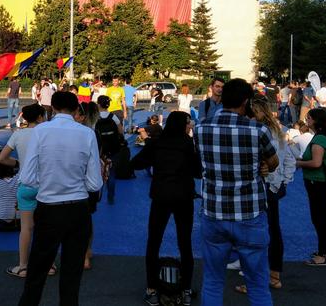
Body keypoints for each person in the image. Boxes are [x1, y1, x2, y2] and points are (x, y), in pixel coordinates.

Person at [194, 78, 279, 306]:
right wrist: (263, 166)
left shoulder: (200, 128)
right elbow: (273, 162)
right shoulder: (257, 130)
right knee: (257, 283)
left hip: (214, 211)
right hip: (249, 213)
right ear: (246, 101)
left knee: (212, 281)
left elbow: (201, 162)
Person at [17, 91, 103, 306]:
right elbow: (95, 183)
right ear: (76, 110)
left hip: (48, 207)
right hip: (78, 209)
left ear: (52, 108)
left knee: (37, 271)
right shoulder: (86, 134)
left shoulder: (40, 132)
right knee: (72, 275)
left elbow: (27, 177)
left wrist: (47, 183)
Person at [132, 111, 201, 305]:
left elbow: (136, 164)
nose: (190, 126)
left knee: (154, 242)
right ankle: (186, 288)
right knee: (185, 243)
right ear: (182, 125)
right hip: (183, 197)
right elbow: (198, 172)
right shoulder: (188, 145)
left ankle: (152, 289)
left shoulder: (156, 143)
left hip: (161, 196)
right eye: (188, 123)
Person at [235, 99, 297, 295]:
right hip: (273, 187)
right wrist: (283, 182)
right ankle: (274, 275)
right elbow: (289, 159)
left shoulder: (257, 132)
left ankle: (255, 279)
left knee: (255, 233)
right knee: (274, 230)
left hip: (259, 187)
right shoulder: (279, 131)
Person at [0, 104, 48, 278]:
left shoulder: (18, 135)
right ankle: (47, 266)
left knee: (26, 228)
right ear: (41, 117)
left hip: (25, 185)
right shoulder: (46, 133)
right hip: (45, 186)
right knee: (45, 228)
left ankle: (23, 266)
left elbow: (2, 158)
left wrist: (20, 164)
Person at [296, 108, 326, 266]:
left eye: (309, 118)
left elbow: (316, 163)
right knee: (325, 216)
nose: (307, 120)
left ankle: (323, 254)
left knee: (320, 217)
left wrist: (298, 163)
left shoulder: (319, 139)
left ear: (315, 120)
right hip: (324, 182)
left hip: (318, 182)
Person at [96, 95, 124, 205]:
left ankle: (97, 195)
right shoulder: (113, 117)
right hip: (113, 148)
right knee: (112, 173)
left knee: (97, 173)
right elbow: (121, 131)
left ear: (98, 104)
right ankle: (111, 195)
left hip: (100, 150)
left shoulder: (96, 117)